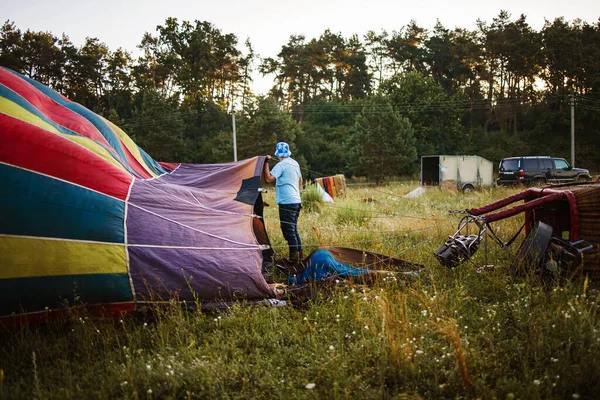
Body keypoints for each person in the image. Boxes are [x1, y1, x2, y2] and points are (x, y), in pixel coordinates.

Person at [263, 142, 303, 262]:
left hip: (287, 202)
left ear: (278, 153)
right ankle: (300, 257)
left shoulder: (281, 165)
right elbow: (300, 180)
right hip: (296, 201)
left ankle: (294, 260)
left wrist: (266, 163)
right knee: (293, 230)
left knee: (288, 231)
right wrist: (297, 192)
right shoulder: (295, 163)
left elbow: (268, 179)